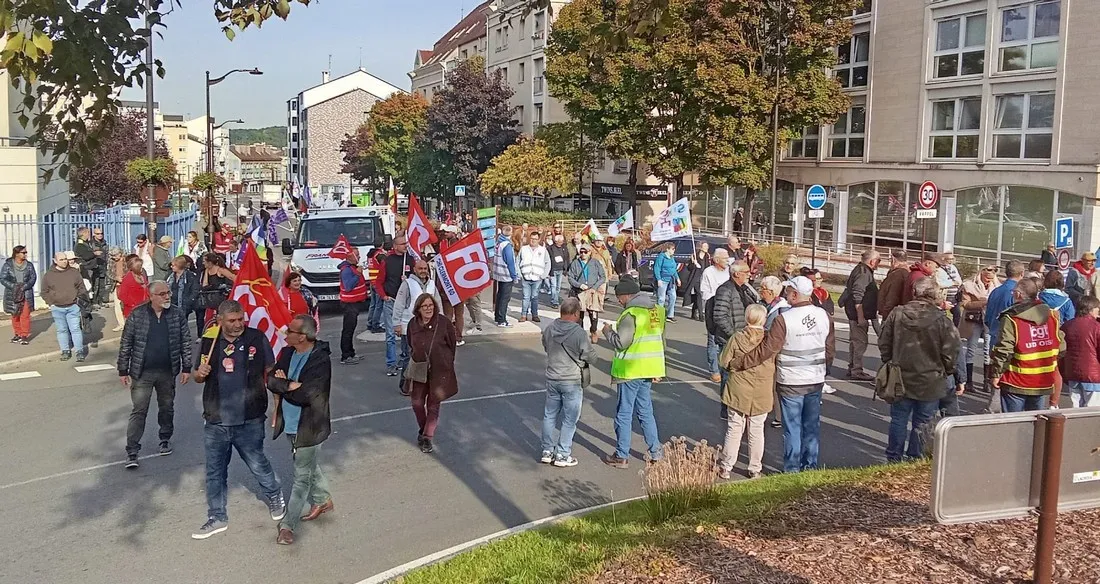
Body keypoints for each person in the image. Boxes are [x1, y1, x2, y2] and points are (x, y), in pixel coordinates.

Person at [191, 300, 283, 540]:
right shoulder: (209, 341)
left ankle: (274, 494)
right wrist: (198, 375)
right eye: (232, 321)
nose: (238, 324)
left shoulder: (256, 338)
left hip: (249, 417)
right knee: (214, 471)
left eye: (241, 319)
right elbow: (196, 375)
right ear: (220, 321)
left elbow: (271, 371)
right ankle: (217, 516)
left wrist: (277, 407)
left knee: (257, 463)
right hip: (216, 419)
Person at [729, 276, 834, 473]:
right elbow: (830, 349)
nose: (785, 295)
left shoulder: (783, 319)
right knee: (811, 427)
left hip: (791, 380)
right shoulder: (824, 316)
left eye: (788, 291)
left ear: (795, 294)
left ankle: (791, 469)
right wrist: (822, 369)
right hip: (815, 379)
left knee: (792, 427)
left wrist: (741, 362)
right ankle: (809, 466)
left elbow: (767, 350)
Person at [878, 277, 960, 463]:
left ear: (915, 293)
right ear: (935, 295)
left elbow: (883, 341)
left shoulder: (897, 314)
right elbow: (952, 350)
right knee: (923, 421)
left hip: (900, 375)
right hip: (931, 378)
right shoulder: (942, 320)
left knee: (898, 419)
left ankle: (894, 457)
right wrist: (948, 370)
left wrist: (890, 361)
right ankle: (915, 457)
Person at [269, 315, 334, 546]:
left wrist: (285, 385)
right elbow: (270, 380)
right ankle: (323, 499)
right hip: (290, 422)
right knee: (307, 465)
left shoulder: (319, 360)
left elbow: (308, 394)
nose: (285, 335)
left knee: (301, 476)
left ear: (303, 336)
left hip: (310, 425)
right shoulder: (287, 353)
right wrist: (289, 385)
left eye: (290, 332)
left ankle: (288, 526)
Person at [118, 281, 192, 468]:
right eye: (162, 294)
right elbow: (126, 343)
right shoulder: (138, 315)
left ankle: (165, 438)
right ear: (151, 296)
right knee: (139, 410)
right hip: (142, 373)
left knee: (166, 407)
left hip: (167, 371)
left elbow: (185, 342)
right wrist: (123, 369)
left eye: (168, 293)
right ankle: (132, 451)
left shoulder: (176, 314)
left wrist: (186, 368)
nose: (167, 296)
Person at [601, 277, 666, 468]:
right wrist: (659, 369)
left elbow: (622, 343)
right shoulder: (656, 311)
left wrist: (607, 331)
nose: (619, 301)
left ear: (627, 295)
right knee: (646, 412)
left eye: (619, 297)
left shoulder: (631, 314)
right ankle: (656, 452)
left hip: (630, 370)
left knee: (624, 413)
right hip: (649, 368)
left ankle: (622, 455)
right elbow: (661, 340)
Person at [989, 278, 1065, 413]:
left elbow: (1004, 350)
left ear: (1018, 294)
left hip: (1016, 380)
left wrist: (996, 373)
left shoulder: (1011, 318)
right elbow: (1061, 346)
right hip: (1042, 379)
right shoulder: (1052, 316)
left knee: (1014, 423)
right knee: (1036, 425)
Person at [717, 304, 772, 480]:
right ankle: (755, 467)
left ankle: (726, 466)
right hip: (762, 389)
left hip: (738, 387)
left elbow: (724, 361)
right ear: (763, 319)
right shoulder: (769, 341)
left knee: (734, 428)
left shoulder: (737, 338)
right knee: (756, 430)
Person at [540, 298, 596, 468]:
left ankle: (547, 450)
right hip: (571, 379)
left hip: (552, 377)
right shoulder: (578, 333)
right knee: (569, 419)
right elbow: (590, 356)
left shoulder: (549, 329)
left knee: (549, 415)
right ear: (575, 313)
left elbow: (545, 346)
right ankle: (563, 454)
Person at [404, 293, 458, 454]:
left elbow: (452, 344)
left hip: (440, 370)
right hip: (420, 369)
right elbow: (409, 343)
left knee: (434, 405)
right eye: (424, 306)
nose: (428, 309)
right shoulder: (412, 324)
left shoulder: (444, 323)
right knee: (417, 403)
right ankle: (423, 430)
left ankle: (427, 437)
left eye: (431, 306)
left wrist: (446, 361)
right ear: (418, 309)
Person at [709, 261, 761, 419]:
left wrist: (748, 287)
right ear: (736, 273)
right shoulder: (725, 290)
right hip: (729, 339)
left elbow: (756, 302)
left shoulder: (741, 288)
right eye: (746, 272)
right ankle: (726, 408)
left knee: (738, 374)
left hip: (741, 336)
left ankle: (737, 405)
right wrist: (733, 335)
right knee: (728, 375)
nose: (749, 274)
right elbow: (719, 316)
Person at [394, 259, 439, 393]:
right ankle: (405, 385)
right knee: (409, 357)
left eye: (425, 268)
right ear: (414, 269)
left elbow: (438, 304)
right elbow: (399, 304)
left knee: (428, 356)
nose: (423, 271)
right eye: (420, 269)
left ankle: (424, 384)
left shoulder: (431, 284)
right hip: (409, 328)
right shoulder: (407, 284)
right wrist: (396, 323)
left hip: (428, 328)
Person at [839, 250, 881, 381]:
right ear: (872, 261)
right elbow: (858, 295)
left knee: (855, 341)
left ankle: (853, 367)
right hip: (857, 314)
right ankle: (856, 370)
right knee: (860, 342)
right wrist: (861, 317)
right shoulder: (863, 273)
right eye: (879, 261)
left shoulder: (861, 270)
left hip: (855, 312)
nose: (879, 264)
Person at [41, 251, 90, 362]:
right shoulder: (49, 275)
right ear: (55, 261)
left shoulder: (74, 273)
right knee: (62, 330)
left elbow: (81, 288)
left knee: (75, 329)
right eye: (61, 260)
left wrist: (78, 300)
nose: (64, 262)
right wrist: (51, 302)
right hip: (57, 307)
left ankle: (79, 351)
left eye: (65, 259)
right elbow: (44, 291)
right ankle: (65, 351)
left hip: (73, 306)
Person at [379, 236, 415, 375]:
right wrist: (384, 296)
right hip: (391, 301)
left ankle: (405, 358)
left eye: (406, 243)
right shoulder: (387, 261)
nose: (405, 245)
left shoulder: (411, 260)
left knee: (406, 333)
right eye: (402, 244)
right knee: (391, 334)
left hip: (406, 303)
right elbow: (379, 282)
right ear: (395, 246)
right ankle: (391, 363)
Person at [959, 266, 998, 392]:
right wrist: (983, 302)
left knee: (988, 350)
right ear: (981, 274)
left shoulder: (996, 287)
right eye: (986, 278)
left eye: (991, 278)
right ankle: (968, 381)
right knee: (972, 349)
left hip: (989, 320)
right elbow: (965, 304)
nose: (988, 281)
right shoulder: (969, 285)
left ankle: (986, 382)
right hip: (973, 320)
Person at [1060, 296, 1100, 408]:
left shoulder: (1066, 326)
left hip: (1072, 372)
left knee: (1075, 407)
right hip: (1093, 375)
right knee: (1092, 409)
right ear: (1091, 309)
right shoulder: (1097, 327)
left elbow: (1062, 351)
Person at [700, 249, 731, 382]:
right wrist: (718, 299)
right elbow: (704, 292)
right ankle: (714, 370)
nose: (727, 261)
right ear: (716, 260)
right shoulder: (708, 272)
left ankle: (725, 367)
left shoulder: (729, 272)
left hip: (727, 311)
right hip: (713, 310)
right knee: (713, 342)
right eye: (725, 258)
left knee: (726, 341)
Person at [567, 244, 607, 344]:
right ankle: (580, 334)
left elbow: (602, 277)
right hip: (580, 292)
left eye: (585, 252)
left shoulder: (595, 263)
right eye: (581, 252)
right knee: (579, 314)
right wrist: (579, 285)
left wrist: (594, 287)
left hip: (592, 292)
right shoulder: (575, 263)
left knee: (593, 313)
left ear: (590, 252)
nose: (583, 254)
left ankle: (593, 331)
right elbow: (570, 277)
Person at [337, 247, 367, 365]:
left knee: (351, 329)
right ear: (350, 257)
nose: (359, 257)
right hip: (350, 305)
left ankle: (351, 353)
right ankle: (346, 356)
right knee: (348, 330)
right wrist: (358, 274)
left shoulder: (351, 268)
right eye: (357, 255)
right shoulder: (347, 270)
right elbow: (348, 286)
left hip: (354, 304)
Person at [985, 261, 1025, 349]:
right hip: (1010, 341)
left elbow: (987, 318)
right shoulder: (1018, 294)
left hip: (995, 339)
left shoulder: (995, 292)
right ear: (1022, 274)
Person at [1, 245, 36, 345]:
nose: (25, 254)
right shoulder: (8, 265)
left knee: (25, 314)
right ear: (16, 254)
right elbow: (3, 278)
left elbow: (33, 278)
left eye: (26, 252)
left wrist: (25, 286)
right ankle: (17, 333)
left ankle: (24, 335)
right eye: (23, 252)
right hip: (13, 293)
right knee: (15, 314)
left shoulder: (29, 265)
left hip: (25, 292)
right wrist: (14, 286)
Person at [518, 231, 550, 323]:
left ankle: (534, 315)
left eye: (535, 239)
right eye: (532, 238)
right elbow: (518, 261)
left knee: (535, 297)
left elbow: (548, 263)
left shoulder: (543, 250)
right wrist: (520, 274)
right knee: (526, 297)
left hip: (537, 278)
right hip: (526, 277)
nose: (533, 241)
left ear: (539, 240)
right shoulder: (524, 249)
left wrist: (543, 275)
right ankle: (524, 315)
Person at [197, 252, 233, 332]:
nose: (203, 263)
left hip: (222, 295)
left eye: (204, 261)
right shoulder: (207, 270)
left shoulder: (220, 270)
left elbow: (233, 278)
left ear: (209, 262)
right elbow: (205, 284)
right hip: (213, 297)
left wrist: (228, 287)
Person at [491, 225, 519, 327]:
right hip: (506, 274)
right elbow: (510, 262)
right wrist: (514, 275)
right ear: (511, 233)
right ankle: (502, 319)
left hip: (498, 273)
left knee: (499, 296)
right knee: (505, 298)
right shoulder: (507, 245)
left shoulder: (498, 242)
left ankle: (497, 317)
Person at [167, 256, 199, 336]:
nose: (171, 267)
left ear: (179, 266)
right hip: (172, 303)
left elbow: (195, 290)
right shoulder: (170, 276)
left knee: (182, 324)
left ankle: (183, 339)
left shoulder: (190, 276)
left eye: (173, 265)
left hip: (184, 305)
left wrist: (189, 301)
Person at [652, 242, 681, 322]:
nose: (674, 250)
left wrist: (677, 278)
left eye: (674, 249)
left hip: (671, 280)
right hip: (663, 280)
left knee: (673, 297)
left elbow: (673, 269)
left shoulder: (672, 257)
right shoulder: (661, 257)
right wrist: (659, 279)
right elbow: (657, 268)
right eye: (672, 249)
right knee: (661, 298)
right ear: (667, 249)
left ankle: (670, 315)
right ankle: (659, 315)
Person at [877, 249, 909, 321]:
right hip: (896, 313)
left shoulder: (898, 274)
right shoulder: (904, 272)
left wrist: (886, 315)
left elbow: (892, 297)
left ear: (893, 259)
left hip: (891, 315)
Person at [681, 241, 709, 320]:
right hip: (695, 278)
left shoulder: (707, 257)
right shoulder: (695, 256)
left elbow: (708, 267)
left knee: (698, 296)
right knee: (699, 294)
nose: (707, 248)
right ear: (701, 247)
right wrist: (694, 263)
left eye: (707, 246)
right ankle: (701, 315)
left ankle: (693, 312)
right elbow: (689, 268)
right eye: (705, 246)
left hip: (703, 278)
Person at [366, 247, 388, 333]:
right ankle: (375, 325)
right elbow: (385, 262)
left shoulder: (370, 255)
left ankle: (370, 323)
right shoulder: (378, 254)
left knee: (373, 305)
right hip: (378, 282)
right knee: (379, 306)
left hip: (372, 281)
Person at [547, 234, 570, 309]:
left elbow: (567, 258)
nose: (561, 243)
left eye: (562, 241)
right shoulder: (550, 248)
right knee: (553, 286)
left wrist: (566, 269)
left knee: (558, 287)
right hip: (553, 269)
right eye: (560, 242)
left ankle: (555, 298)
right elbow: (548, 259)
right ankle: (555, 301)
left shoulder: (564, 248)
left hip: (561, 269)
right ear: (556, 241)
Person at [107, 249, 128, 331]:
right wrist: (116, 278)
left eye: (115, 255)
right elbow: (108, 272)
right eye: (112, 256)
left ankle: (128, 323)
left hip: (126, 285)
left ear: (120, 253)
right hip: (116, 285)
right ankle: (121, 324)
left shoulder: (127, 259)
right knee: (117, 305)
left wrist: (125, 278)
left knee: (127, 305)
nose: (114, 257)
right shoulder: (111, 261)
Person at [89, 227, 110, 304]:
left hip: (103, 266)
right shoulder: (91, 244)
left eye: (101, 233)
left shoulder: (104, 242)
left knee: (102, 285)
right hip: (95, 266)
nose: (100, 235)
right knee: (95, 285)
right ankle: (94, 302)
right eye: (98, 234)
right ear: (94, 234)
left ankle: (100, 301)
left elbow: (107, 254)